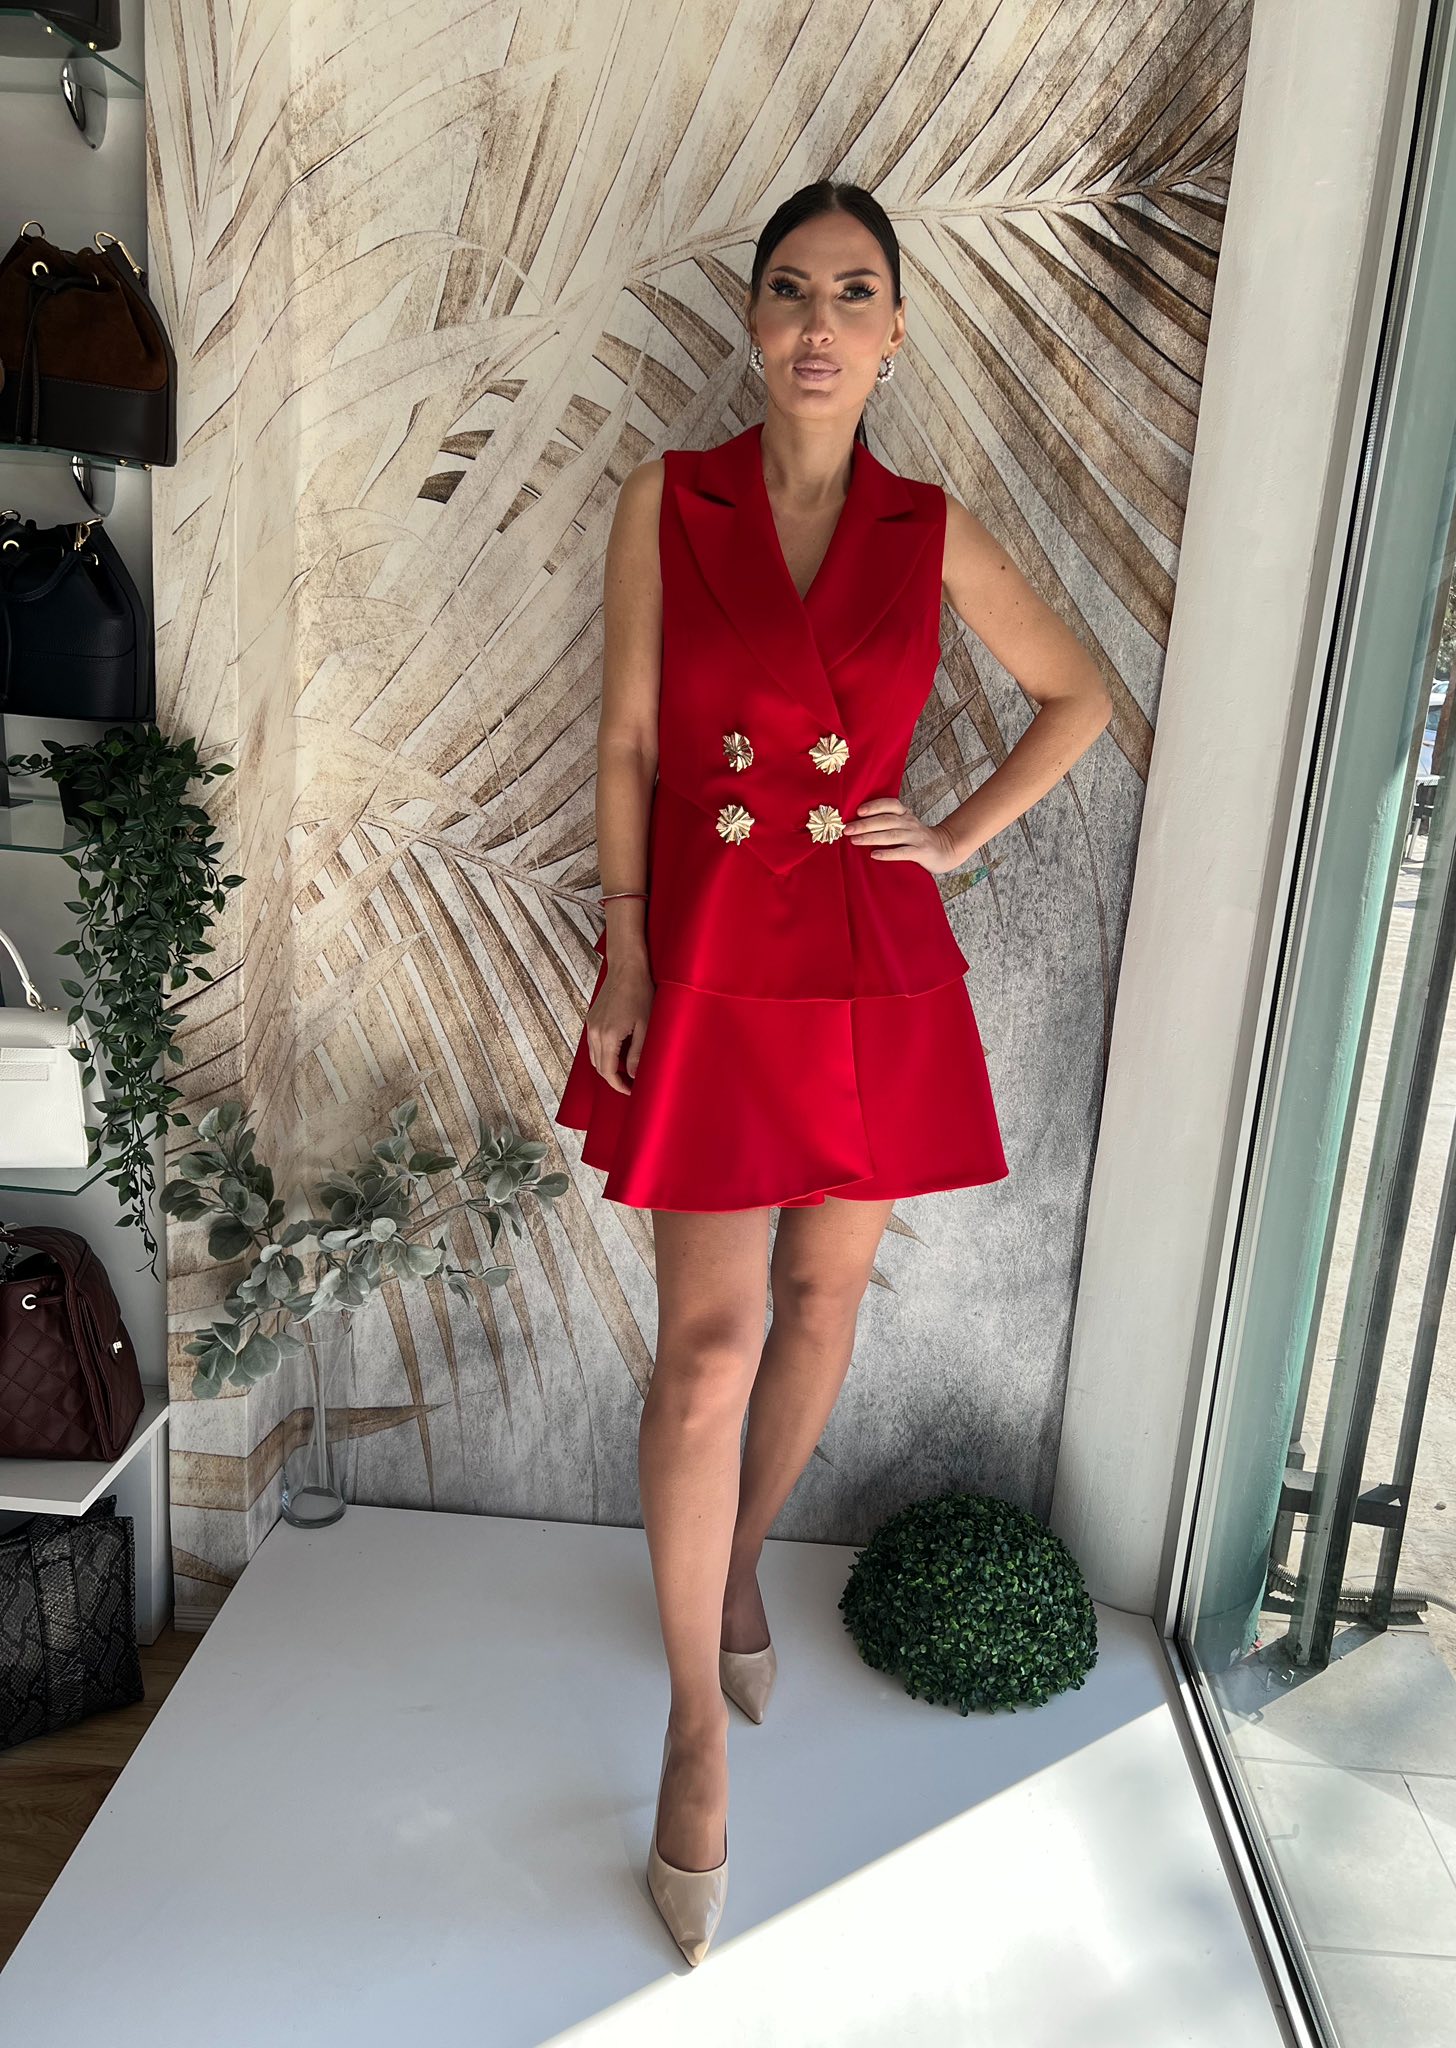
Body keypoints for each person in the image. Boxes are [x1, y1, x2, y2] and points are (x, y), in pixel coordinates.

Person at [553, 179, 1111, 1965]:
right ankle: (693, 1733)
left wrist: (949, 835)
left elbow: (1081, 695)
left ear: (894, 332)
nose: (817, 321)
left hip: (866, 956)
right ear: (755, 320)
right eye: (789, 288)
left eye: (852, 293)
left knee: (819, 1304)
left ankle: (732, 1567)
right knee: (706, 1349)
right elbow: (629, 739)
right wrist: (626, 950)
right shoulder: (672, 497)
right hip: (712, 951)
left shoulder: (928, 529)